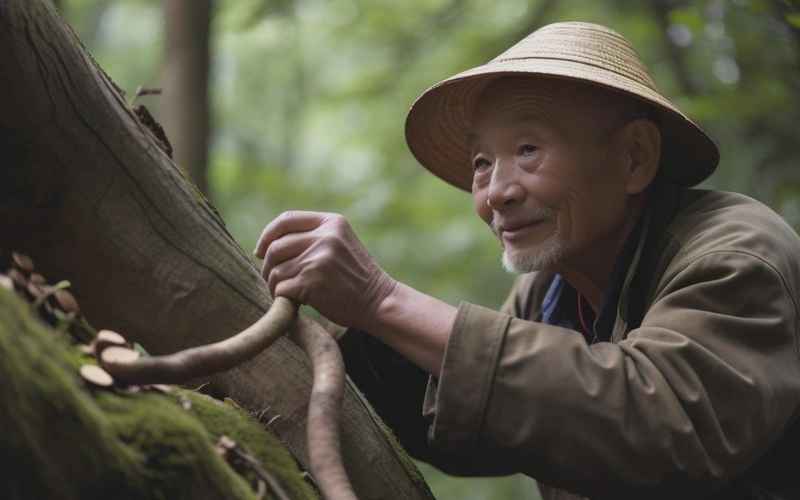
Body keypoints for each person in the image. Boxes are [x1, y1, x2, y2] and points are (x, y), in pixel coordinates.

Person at [254, 22, 800, 499]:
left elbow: (664, 425)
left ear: (635, 158)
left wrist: (382, 299)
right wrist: (333, 335)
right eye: (482, 162)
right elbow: (492, 429)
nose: (497, 192)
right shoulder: (549, 292)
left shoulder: (733, 256)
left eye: (528, 151)